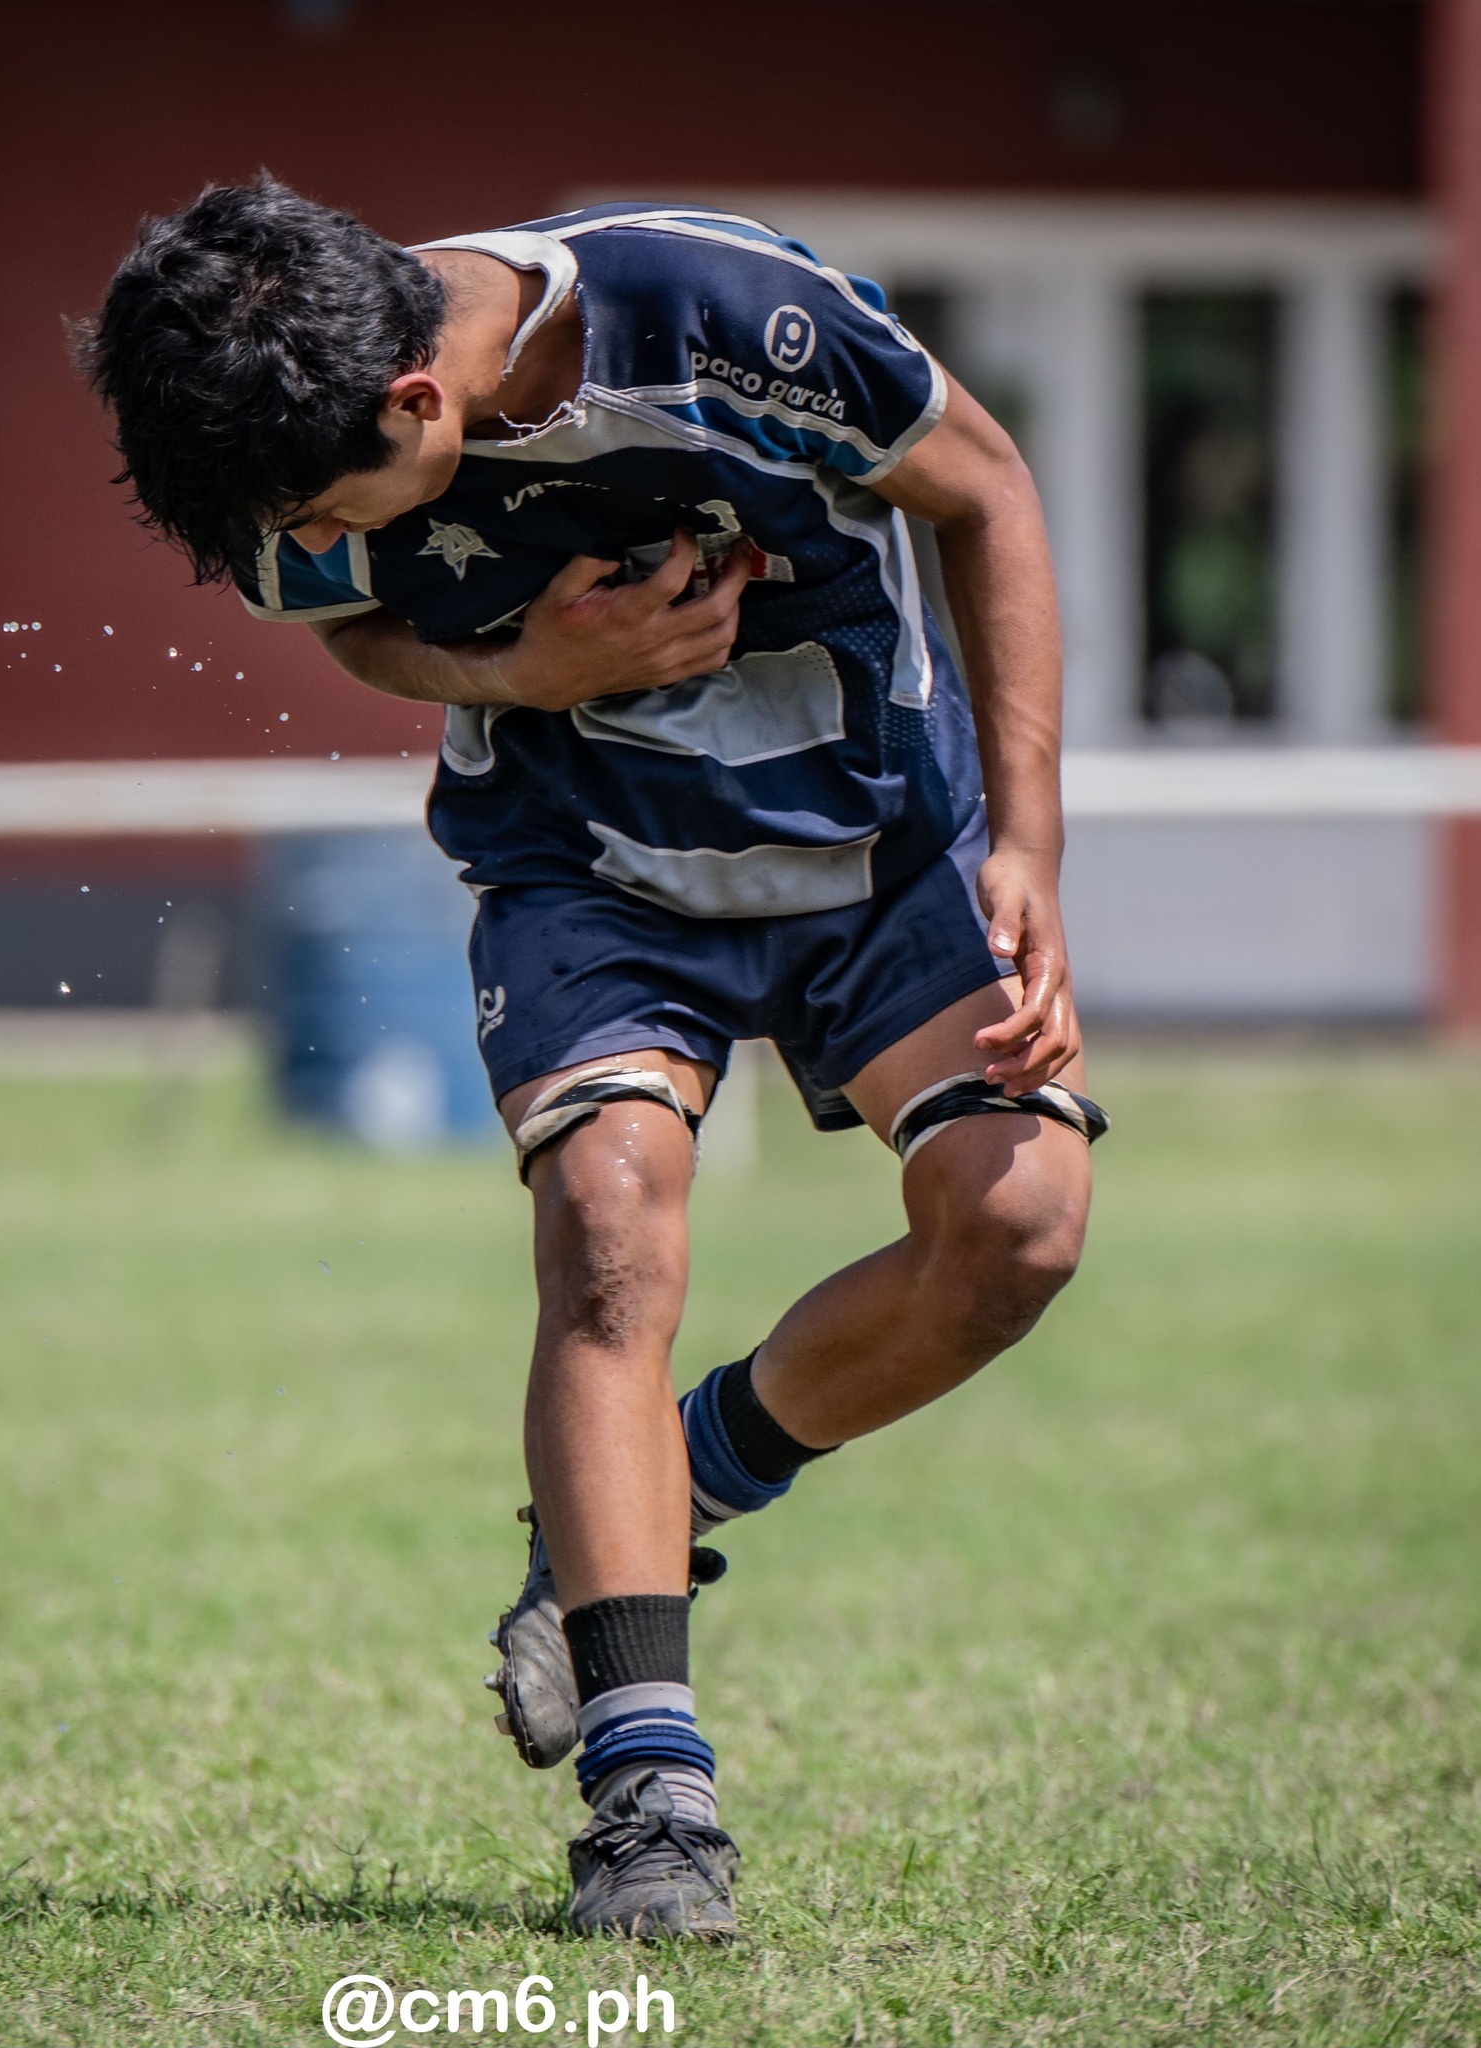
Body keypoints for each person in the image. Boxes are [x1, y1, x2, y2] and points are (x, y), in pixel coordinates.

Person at [79, 177, 1105, 1942]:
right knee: (611, 1235)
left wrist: (1027, 849)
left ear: (419, 403)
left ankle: (673, 1477)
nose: (309, 536)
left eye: (331, 502)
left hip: (868, 840)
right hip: (587, 866)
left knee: (1015, 1233)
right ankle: (650, 1813)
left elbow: (985, 488)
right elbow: (354, 627)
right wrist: (524, 668)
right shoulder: (279, 427)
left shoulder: (711, 312)